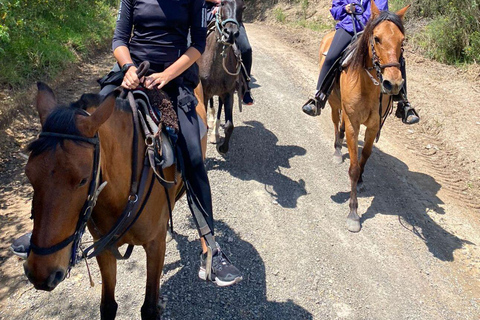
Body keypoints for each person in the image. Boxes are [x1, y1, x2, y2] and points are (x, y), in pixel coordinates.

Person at [12, 0, 242, 287]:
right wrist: (129, 67)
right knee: (76, 131)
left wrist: (167, 75)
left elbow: (196, 44)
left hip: (173, 78)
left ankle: (210, 245)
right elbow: (120, 38)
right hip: (131, 73)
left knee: (194, 157)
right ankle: (43, 230)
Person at [301, 0, 419, 124]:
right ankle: (319, 98)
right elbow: (335, 12)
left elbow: (381, 13)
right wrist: (344, 9)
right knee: (331, 57)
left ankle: (403, 103)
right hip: (348, 28)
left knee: (397, 59)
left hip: (372, 31)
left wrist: (374, 21)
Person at [205, 0, 254, 105]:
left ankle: (245, 87)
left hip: (232, 14)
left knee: (246, 49)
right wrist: (219, 3)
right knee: (192, 42)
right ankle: (188, 83)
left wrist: (227, 6)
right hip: (209, 12)